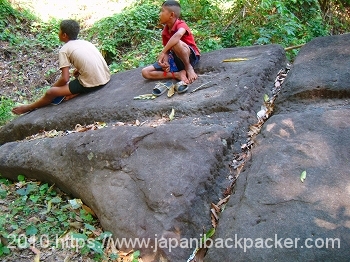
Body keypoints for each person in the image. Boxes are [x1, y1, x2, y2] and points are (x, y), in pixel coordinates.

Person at [12, 19, 110, 115]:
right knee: (75, 74)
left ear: (64, 35)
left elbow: (64, 79)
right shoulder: (85, 42)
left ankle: (28, 107)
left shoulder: (64, 49)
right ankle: (73, 92)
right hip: (105, 76)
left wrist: (52, 88)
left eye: (59, 30)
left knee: (51, 92)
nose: (58, 33)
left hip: (93, 84)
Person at [141, 0, 200, 85]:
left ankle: (188, 68)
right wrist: (166, 62)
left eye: (162, 11)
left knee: (176, 42)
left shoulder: (181, 24)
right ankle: (177, 74)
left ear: (171, 15)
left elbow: (178, 35)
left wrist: (163, 52)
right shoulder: (165, 32)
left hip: (190, 57)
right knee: (145, 72)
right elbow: (167, 51)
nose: (159, 14)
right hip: (175, 59)